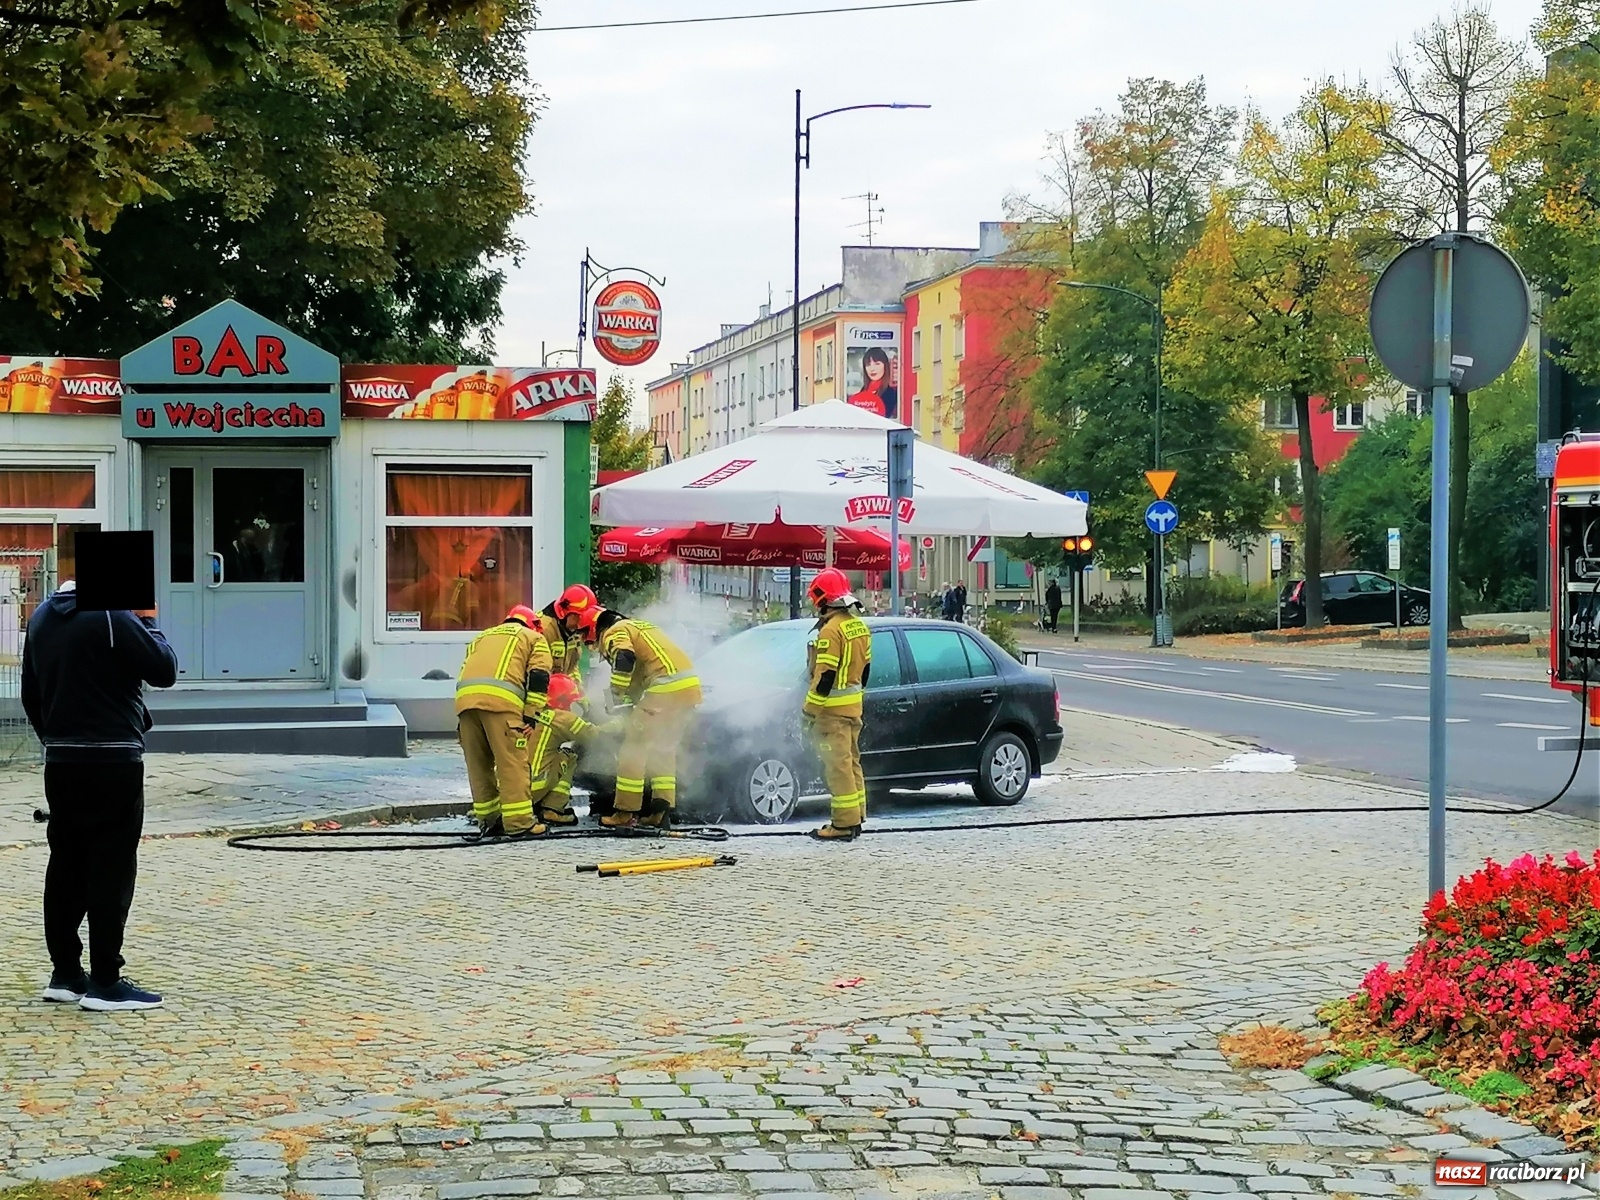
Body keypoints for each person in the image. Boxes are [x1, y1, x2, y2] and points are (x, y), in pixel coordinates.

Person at [21, 581, 178, 1011]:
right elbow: (164, 669)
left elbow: (29, 694)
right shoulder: (114, 615)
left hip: (62, 761)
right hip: (114, 760)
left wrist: (55, 738)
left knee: (66, 862)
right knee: (112, 865)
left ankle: (66, 973)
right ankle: (107, 981)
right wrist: (148, 620)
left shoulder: (41, 618)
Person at [581, 607, 702, 828]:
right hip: (689, 690)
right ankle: (660, 812)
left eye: (589, 640)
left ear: (595, 630)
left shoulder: (615, 631)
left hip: (664, 690)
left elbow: (625, 657)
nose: (593, 647)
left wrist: (616, 694)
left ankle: (625, 814)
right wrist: (630, 702)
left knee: (633, 749)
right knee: (663, 750)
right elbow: (641, 673)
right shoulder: (641, 627)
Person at [455, 604, 553, 837]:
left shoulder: (481, 638)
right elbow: (539, 676)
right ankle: (520, 824)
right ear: (532, 624)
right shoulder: (533, 638)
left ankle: (489, 821)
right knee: (512, 765)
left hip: (466, 706)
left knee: (479, 765)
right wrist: (531, 714)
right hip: (502, 707)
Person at [803, 568, 872, 841]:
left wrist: (808, 713)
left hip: (832, 714)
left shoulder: (831, 631)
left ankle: (842, 825)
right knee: (851, 763)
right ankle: (856, 817)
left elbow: (825, 678)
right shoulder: (859, 626)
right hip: (854, 710)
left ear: (823, 598)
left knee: (837, 767)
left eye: (814, 598)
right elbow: (865, 672)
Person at [527, 674, 607, 827]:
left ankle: (538, 805)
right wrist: (616, 724)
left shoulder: (530, 712)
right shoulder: (562, 718)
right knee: (568, 757)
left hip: (512, 788)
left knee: (553, 754)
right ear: (563, 700)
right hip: (535, 785)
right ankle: (553, 810)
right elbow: (592, 735)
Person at [537, 583, 595, 684]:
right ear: (566, 612)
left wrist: (576, 689)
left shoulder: (572, 632)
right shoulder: (543, 630)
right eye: (579, 617)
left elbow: (572, 668)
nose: (581, 623)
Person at [845, 348, 898, 420]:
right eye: (868, 364)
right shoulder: (863, 391)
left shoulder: (891, 394)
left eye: (877, 364)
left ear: (885, 366)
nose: (872, 368)